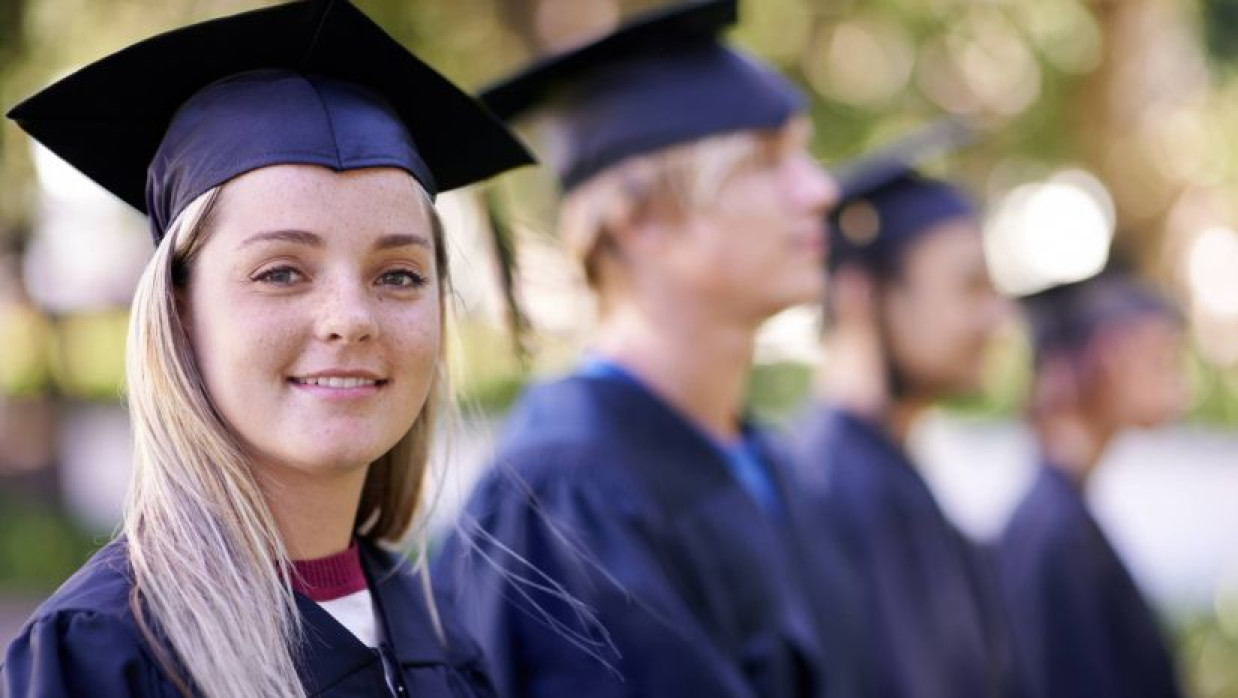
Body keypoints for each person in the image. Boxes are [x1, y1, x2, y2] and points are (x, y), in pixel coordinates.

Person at [1, 2, 531, 696]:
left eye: (398, 275)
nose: (351, 318)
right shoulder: (104, 656)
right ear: (181, 314)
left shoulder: (438, 633)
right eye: (281, 271)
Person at [432, 1, 875, 697]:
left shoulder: (765, 462)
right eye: (766, 160)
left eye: (804, 154)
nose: (820, 190)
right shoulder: (566, 499)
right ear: (642, 222)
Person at [791, 163, 1021, 698]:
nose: (996, 318)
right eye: (969, 288)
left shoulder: (897, 473)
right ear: (861, 297)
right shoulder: (826, 489)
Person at [997, 273, 1188, 698]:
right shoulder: (1054, 532)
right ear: (1108, 355)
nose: (1181, 386)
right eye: (1162, 358)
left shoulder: (1067, 517)